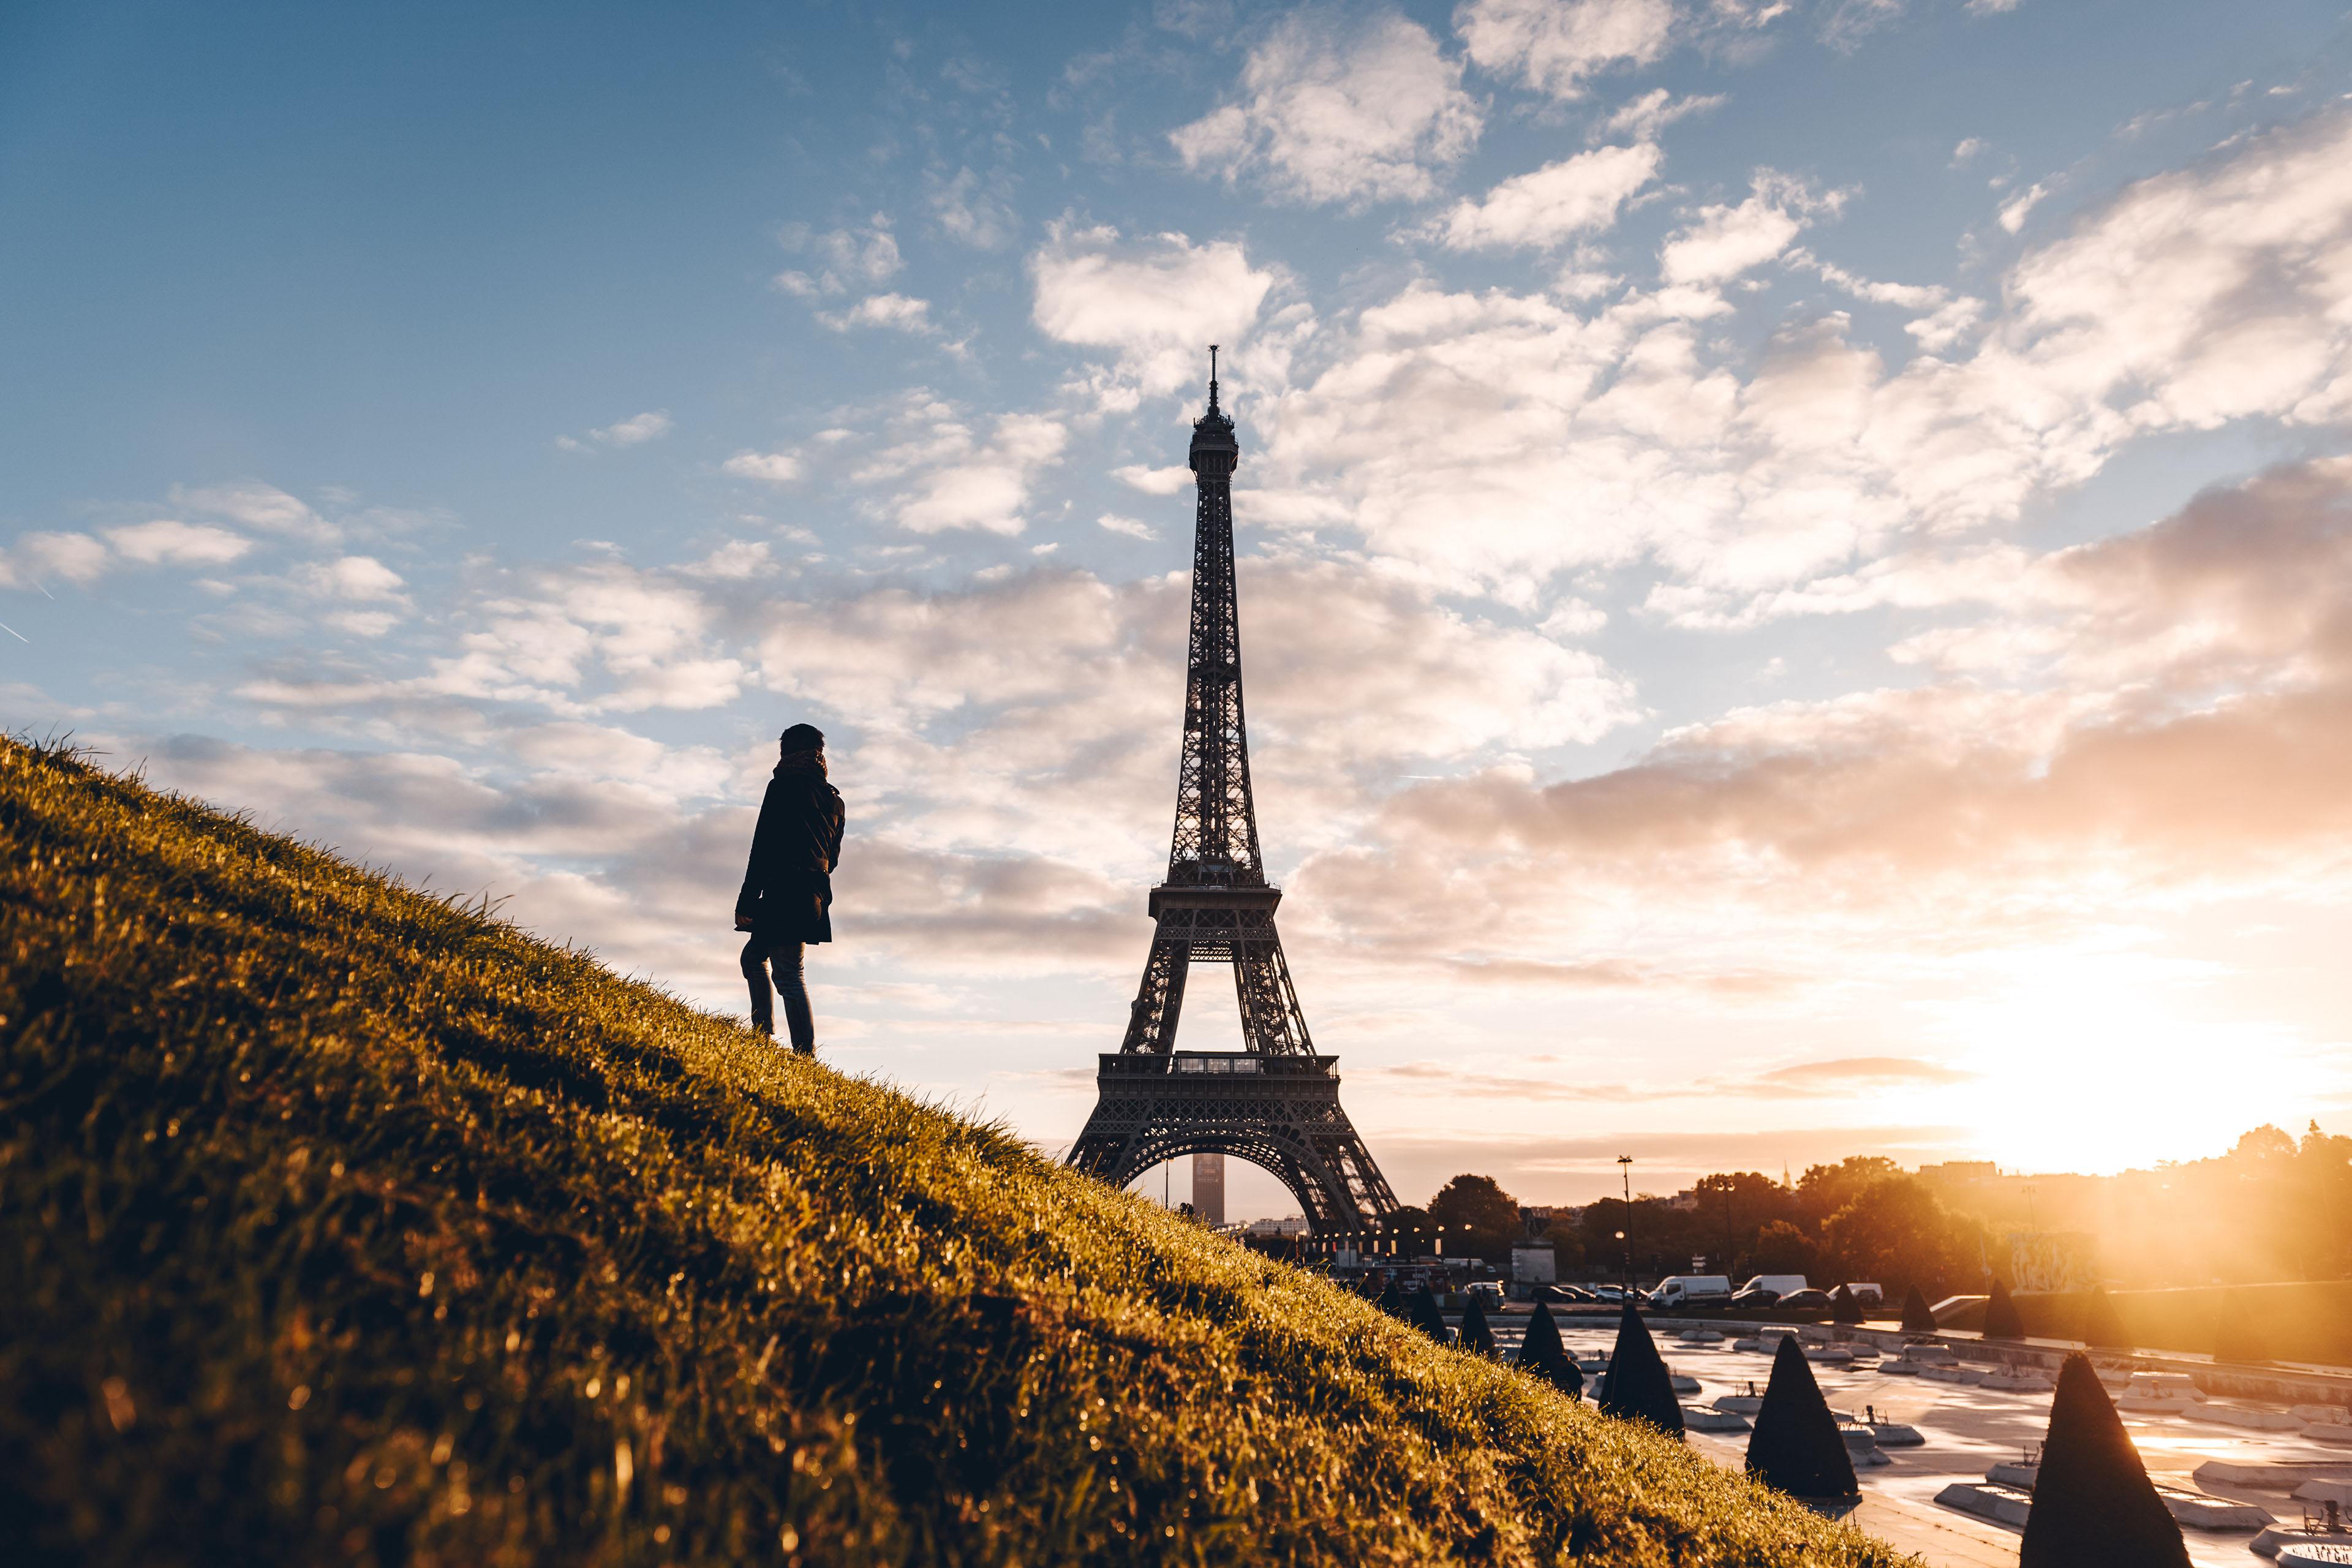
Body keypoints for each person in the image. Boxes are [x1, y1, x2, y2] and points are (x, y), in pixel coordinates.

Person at [736, 722, 845, 1054]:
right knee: (756, 958)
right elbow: (833, 858)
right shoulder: (834, 800)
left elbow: (762, 846)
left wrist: (746, 900)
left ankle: (801, 1052)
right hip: (812, 893)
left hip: (783, 889)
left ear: (786, 752)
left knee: (788, 974)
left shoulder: (782, 786)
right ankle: (764, 1036)